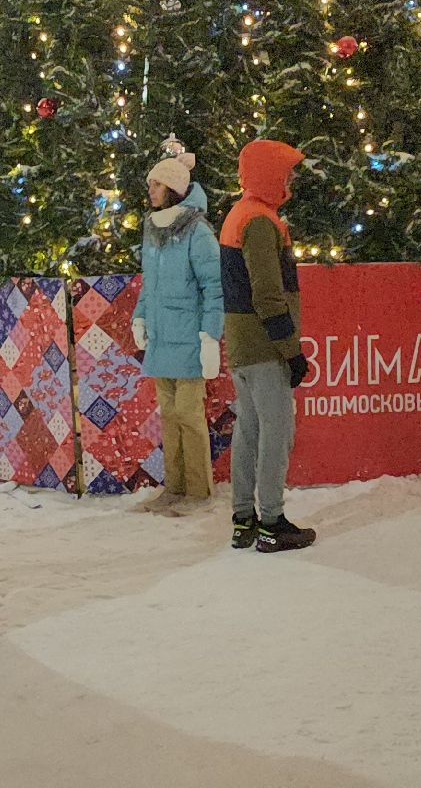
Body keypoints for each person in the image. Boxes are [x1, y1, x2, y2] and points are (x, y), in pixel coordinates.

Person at [220, 138, 316, 554]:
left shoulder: (240, 215)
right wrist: (290, 349)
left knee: (249, 430)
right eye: (287, 171)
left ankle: (244, 518)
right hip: (263, 346)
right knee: (276, 432)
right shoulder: (259, 221)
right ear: (269, 173)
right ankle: (272, 522)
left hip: (243, 344)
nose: (291, 178)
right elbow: (267, 293)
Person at [130, 141, 223, 517]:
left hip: (188, 337)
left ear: (171, 188)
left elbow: (214, 286)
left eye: (155, 184)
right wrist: (140, 316)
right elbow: (148, 283)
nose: (149, 190)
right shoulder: (152, 229)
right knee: (169, 417)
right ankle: (175, 487)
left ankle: (198, 491)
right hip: (161, 338)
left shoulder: (197, 231)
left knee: (188, 414)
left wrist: (209, 336)